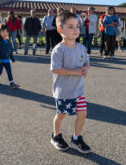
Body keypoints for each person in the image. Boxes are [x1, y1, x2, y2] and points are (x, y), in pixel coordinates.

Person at [50, 11, 91, 154]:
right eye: (71, 27)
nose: (76, 30)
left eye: (77, 26)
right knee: (61, 115)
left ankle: (76, 138)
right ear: (60, 30)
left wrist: (85, 68)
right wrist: (74, 72)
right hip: (64, 91)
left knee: (82, 114)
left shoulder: (82, 48)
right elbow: (55, 69)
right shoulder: (58, 50)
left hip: (78, 90)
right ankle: (56, 136)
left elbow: (86, 62)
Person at [0, 24, 19, 88]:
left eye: (7, 32)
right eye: (3, 32)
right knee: (0, 71)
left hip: (7, 60)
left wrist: (12, 58)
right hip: (0, 60)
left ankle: (12, 83)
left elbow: (10, 50)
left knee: (9, 72)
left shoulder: (8, 41)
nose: (5, 33)